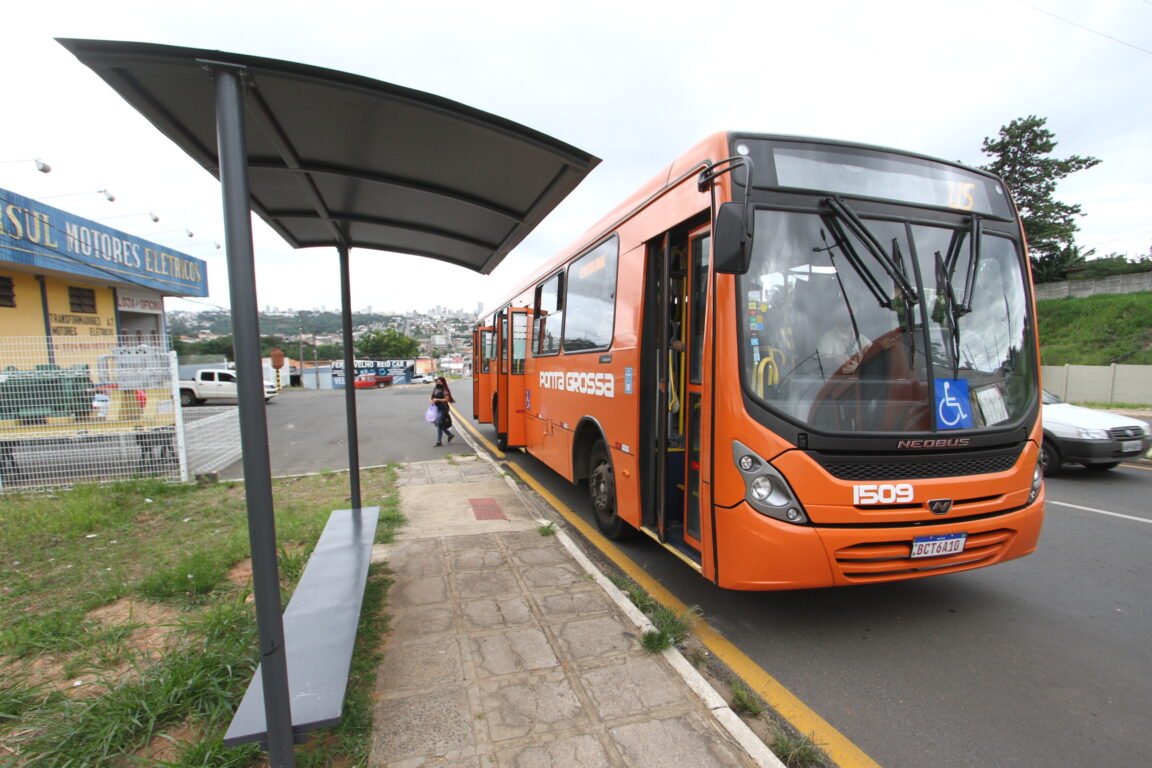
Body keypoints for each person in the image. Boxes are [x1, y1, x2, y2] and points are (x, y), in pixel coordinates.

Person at [430, 376, 456, 446]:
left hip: (443, 408)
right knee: (438, 424)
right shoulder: (436, 388)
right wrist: (431, 400)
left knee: (439, 424)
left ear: (443, 382)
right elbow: (432, 396)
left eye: (440, 382)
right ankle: (449, 434)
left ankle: (439, 441)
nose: (438, 383)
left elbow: (446, 400)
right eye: (437, 382)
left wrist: (437, 400)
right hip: (436, 408)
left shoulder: (445, 390)